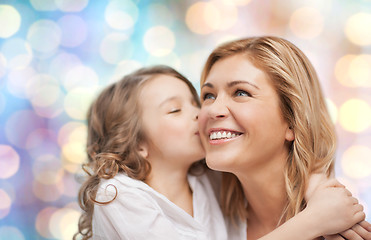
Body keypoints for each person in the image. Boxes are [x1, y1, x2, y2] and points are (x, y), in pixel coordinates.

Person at [74, 65, 367, 240]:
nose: (202, 114)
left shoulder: (208, 179)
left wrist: (316, 188)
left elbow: (284, 160)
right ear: (136, 142)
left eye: (197, 102)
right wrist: (313, 221)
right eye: (176, 110)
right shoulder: (118, 194)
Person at [198, 36, 371, 239]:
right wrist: (313, 220)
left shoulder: (342, 230)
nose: (213, 110)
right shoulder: (200, 215)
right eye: (208, 96)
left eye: (241, 93)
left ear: (292, 121)